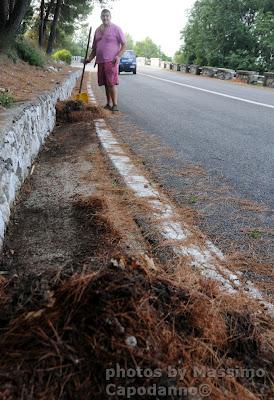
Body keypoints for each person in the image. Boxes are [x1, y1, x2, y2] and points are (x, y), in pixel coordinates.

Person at [85, 9, 126, 112]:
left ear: (110, 17)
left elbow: (124, 44)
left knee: (111, 83)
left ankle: (115, 105)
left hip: (111, 60)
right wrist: (89, 59)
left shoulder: (116, 29)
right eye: (103, 16)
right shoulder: (97, 30)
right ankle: (108, 103)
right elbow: (94, 48)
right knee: (105, 83)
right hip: (100, 61)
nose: (105, 18)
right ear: (101, 17)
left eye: (107, 16)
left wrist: (118, 56)